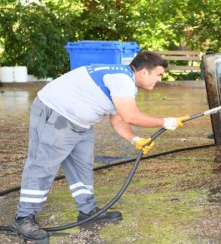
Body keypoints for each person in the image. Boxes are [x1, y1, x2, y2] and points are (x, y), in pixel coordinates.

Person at [10, 51, 189, 241]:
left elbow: (119, 119)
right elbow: (131, 116)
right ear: (144, 72)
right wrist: (165, 121)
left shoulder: (124, 80)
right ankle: (24, 218)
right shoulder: (122, 79)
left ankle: (87, 211)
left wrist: (134, 139)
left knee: (83, 166)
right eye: (158, 74)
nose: (159, 80)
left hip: (81, 123)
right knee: (43, 166)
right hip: (56, 115)